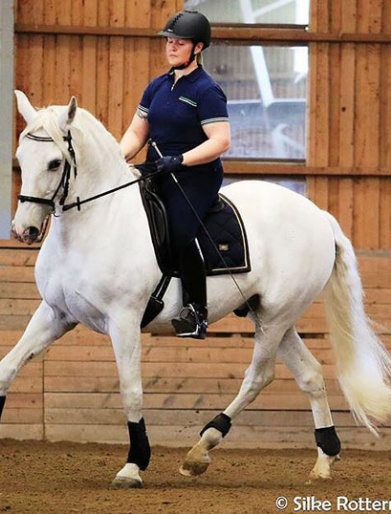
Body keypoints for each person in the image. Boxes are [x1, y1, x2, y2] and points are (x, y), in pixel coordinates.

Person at [120, 11, 231, 340]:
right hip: (159, 169)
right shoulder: (157, 87)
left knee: (180, 231)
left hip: (196, 177)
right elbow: (136, 134)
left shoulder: (206, 90)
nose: (171, 47)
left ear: (197, 48)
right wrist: (114, 161)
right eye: (169, 41)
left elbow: (220, 141)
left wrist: (180, 159)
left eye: (179, 43)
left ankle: (196, 311)